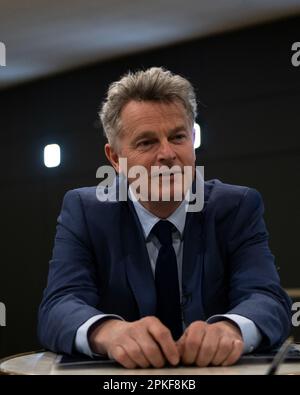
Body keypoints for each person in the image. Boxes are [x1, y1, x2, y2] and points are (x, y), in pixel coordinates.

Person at [38, 67, 291, 369]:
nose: (168, 153)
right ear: (115, 159)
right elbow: (57, 307)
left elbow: (268, 298)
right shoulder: (85, 210)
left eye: (178, 136)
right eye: (147, 142)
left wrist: (230, 329)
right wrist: (109, 332)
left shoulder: (236, 207)